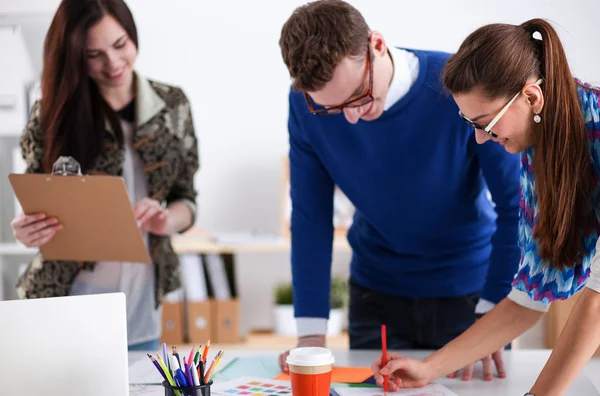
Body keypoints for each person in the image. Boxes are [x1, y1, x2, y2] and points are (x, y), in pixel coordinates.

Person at [277, 0, 521, 381]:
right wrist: (310, 334)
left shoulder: (456, 85)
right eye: (332, 109)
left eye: (358, 96)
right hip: (376, 296)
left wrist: (493, 311)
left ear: (376, 45)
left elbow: (516, 206)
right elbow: (310, 217)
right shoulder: (304, 105)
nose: (352, 118)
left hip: (471, 293)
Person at [370, 18, 600, 396]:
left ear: (531, 98)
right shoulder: (539, 150)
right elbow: (529, 296)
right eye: (469, 123)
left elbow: (596, 302)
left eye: (486, 123)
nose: (480, 138)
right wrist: (429, 368)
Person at [10, 0, 199, 352]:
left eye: (120, 45)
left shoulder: (173, 106)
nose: (112, 64)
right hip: (65, 304)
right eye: (93, 54)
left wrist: (166, 219)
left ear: (133, 34)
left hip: (141, 306)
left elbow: (187, 199)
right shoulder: (52, 114)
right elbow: (36, 195)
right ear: (74, 56)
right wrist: (27, 228)